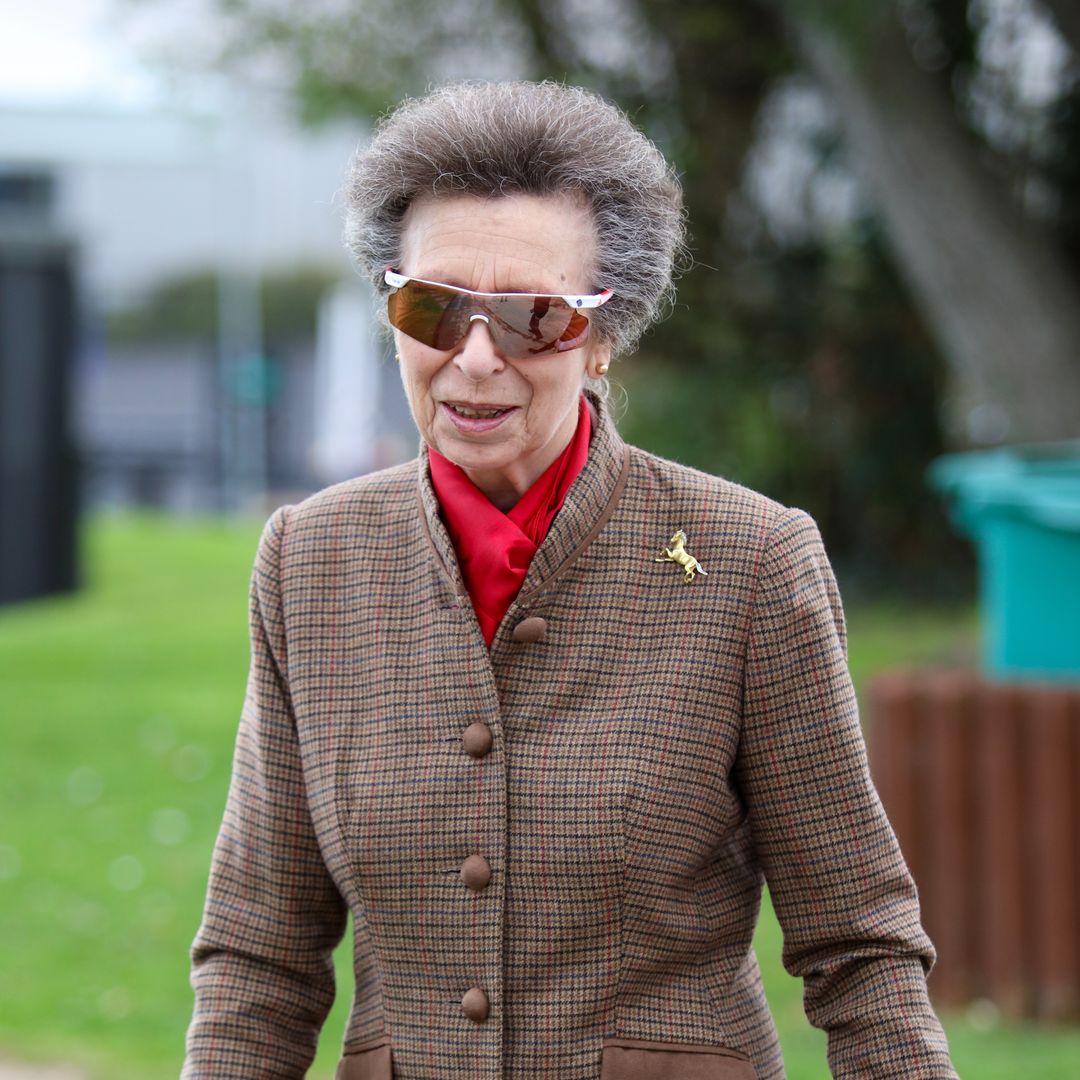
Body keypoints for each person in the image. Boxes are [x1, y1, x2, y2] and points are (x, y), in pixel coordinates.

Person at [182, 81, 957, 1079]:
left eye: (531, 317)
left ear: (600, 334)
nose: (472, 359)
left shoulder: (752, 560)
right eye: (432, 307)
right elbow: (260, 956)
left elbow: (860, 946)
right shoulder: (310, 558)